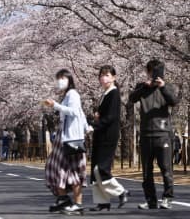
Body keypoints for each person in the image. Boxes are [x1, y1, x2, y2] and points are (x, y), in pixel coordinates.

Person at [129, 59, 179, 210]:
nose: (153, 74)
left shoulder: (167, 87)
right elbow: (132, 98)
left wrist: (163, 87)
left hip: (163, 134)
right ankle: (151, 200)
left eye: (156, 71)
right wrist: (145, 86)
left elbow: (174, 101)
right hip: (145, 134)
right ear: (148, 72)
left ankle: (167, 198)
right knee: (146, 172)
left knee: (166, 169)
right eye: (150, 71)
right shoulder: (142, 87)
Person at [44, 68, 90, 215]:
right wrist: (86, 127)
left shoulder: (73, 94)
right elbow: (81, 113)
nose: (60, 81)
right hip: (64, 138)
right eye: (58, 78)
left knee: (73, 171)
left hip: (71, 139)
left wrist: (55, 105)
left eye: (63, 78)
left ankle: (77, 204)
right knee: (57, 168)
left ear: (69, 79)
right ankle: (63, 199)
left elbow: (74, 111)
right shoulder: (67, 95)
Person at [90, 65, 129, 212]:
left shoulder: (114, 93)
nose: (103, 78)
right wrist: (97, 117)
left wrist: (95, 125)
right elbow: (104, 114)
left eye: (107, 75)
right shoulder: (105, 94)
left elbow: (111, 117)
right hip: (101, 134)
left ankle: (120, 191)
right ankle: (102, 202)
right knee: (95, 169)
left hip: (108, 135)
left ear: (114, 77)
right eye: (101, 75)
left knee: (101, 168)